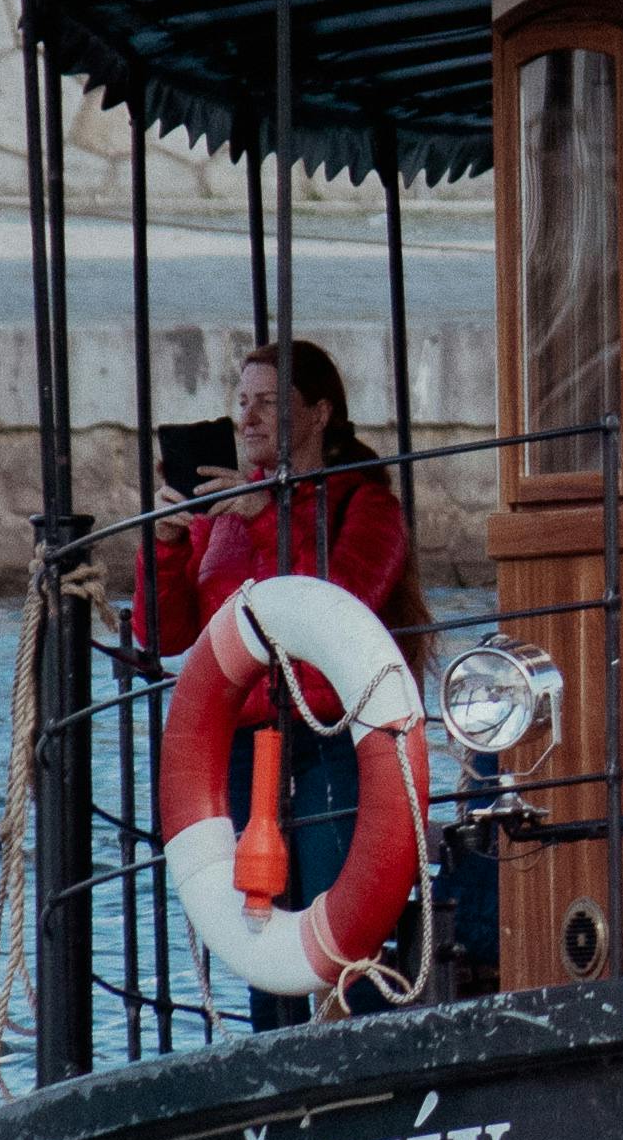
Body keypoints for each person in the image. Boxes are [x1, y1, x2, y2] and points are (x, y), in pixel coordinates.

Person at [139, 338, 427, 1029]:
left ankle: (357, 1049)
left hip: (334, 740)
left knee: (340, 914)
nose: (249, 418)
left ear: (320, 412)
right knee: (258, 926)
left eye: (269, 403)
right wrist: (169, 542)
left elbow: (341, 603)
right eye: (242, 403)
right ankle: (273, 1062)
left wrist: (262, 516)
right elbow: (164, 635)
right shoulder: (223, 519)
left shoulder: (367, 507)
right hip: (243, 748)